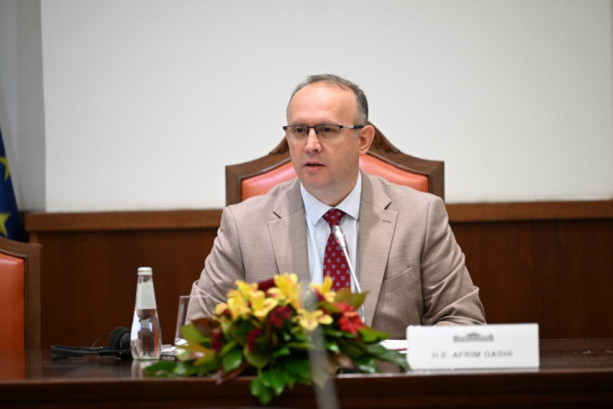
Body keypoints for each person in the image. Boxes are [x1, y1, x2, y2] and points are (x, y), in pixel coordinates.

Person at [190, 74, 485, 338]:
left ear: (363, 140)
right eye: (299, 130)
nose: (311, 145)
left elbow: (462, 321)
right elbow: (198, 329)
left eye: (327, 130)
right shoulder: (244, 225)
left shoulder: (420, 217)